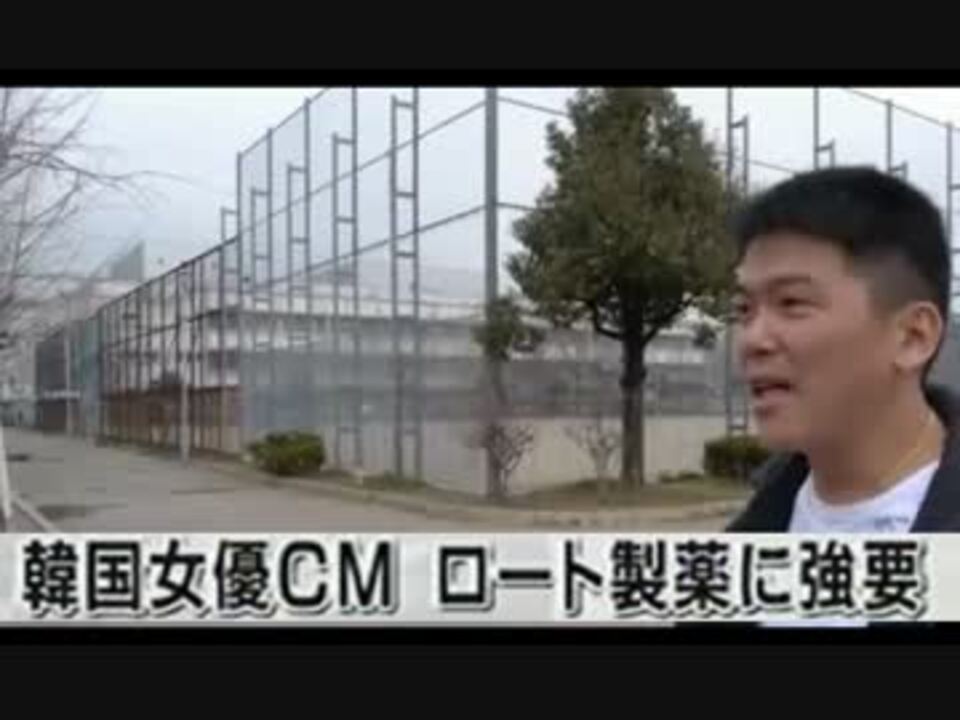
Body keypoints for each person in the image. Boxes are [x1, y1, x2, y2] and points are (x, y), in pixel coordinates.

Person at [726, 166, 960, 533]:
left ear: (913, 337)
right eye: (744, 309)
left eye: (791, 302)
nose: (753, 340)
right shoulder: (749, 537)